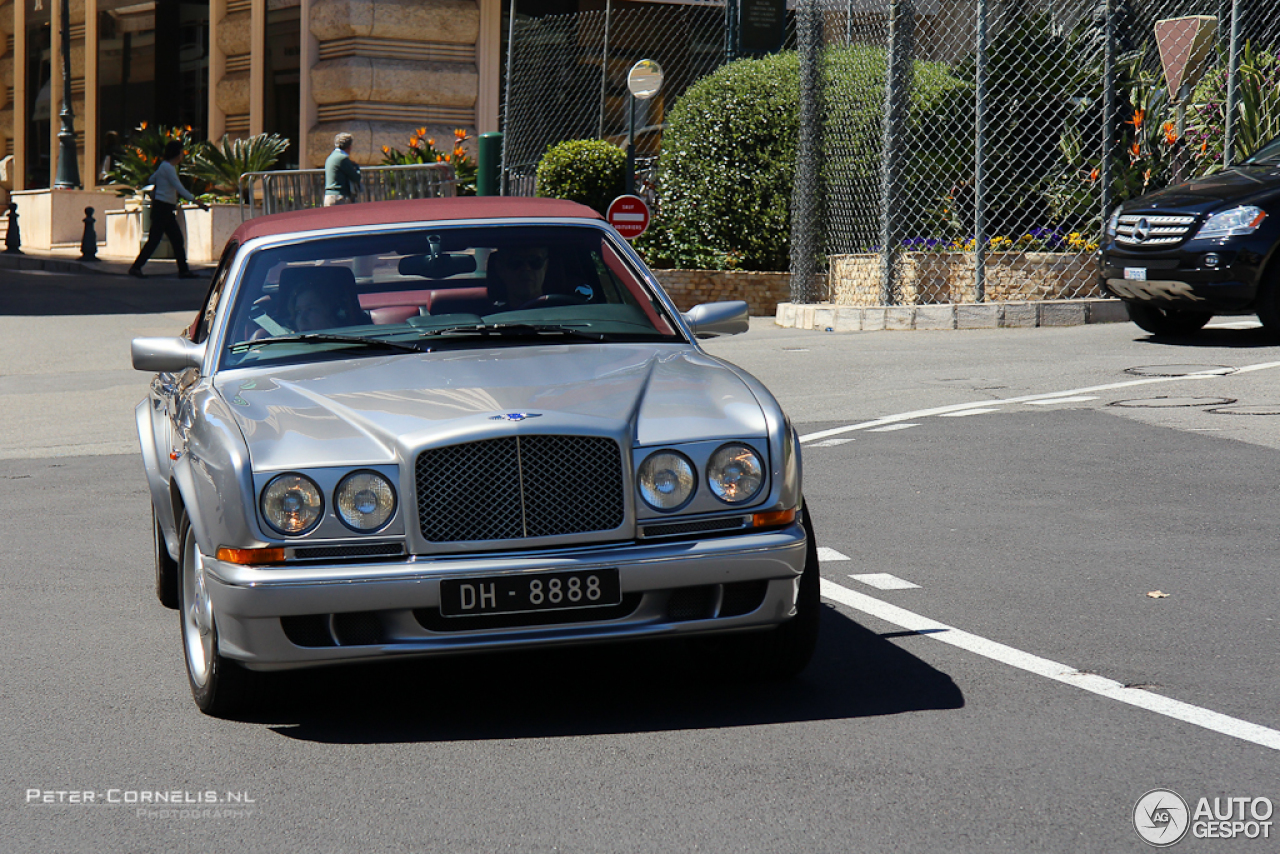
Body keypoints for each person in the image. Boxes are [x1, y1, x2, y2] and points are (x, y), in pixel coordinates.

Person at [128, 140, 207, 279]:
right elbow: (178, 186)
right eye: (181, 152)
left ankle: (183, 270)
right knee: (158, 240)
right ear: (176, 153)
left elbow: (152, 179)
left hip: (164, 209)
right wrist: (196, 201)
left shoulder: (164, 167)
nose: (183, 155)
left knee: (174, 239)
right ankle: (136, 267)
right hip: (163, 209)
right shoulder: (168, 168)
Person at [486, 245, 551, 309]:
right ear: (500, 269)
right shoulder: (491, 318)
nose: (526, 268)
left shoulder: (560, 312)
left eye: (535, 261)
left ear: (545, 266)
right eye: (516, 262)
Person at [324, 132, 361, 206]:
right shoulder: (343, 158)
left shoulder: (330, 157)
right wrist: (356, 167)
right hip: (339, 197)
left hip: (329, 196)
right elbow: (356, 177)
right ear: (349, 146)